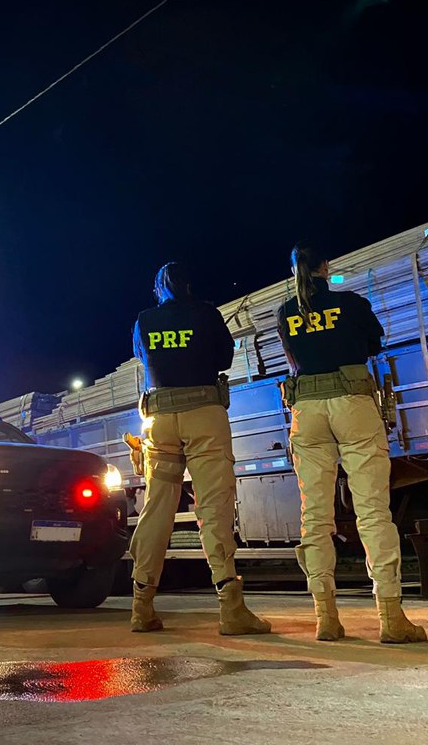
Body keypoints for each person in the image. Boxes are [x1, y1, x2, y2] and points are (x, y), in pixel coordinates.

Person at [277, 243, 427, 643]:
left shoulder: (286, 311)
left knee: (315, 517)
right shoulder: (351, 303)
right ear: (327, 267)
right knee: (373, 512)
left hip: (306, 410)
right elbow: (373, 345)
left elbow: (293, 359)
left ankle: (326, 618)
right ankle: (391, 618)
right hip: (352, 403)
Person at [129, 262, 271, 635]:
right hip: (203, 415)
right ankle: (231, 609)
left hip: (159, 420)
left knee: (158, 508)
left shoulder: (144, 319)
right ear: (189, 285)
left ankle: (141, 607)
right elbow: (224, 359)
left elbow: (144, 359)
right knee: (214, 507)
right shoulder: (206, 313)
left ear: (158, 289)